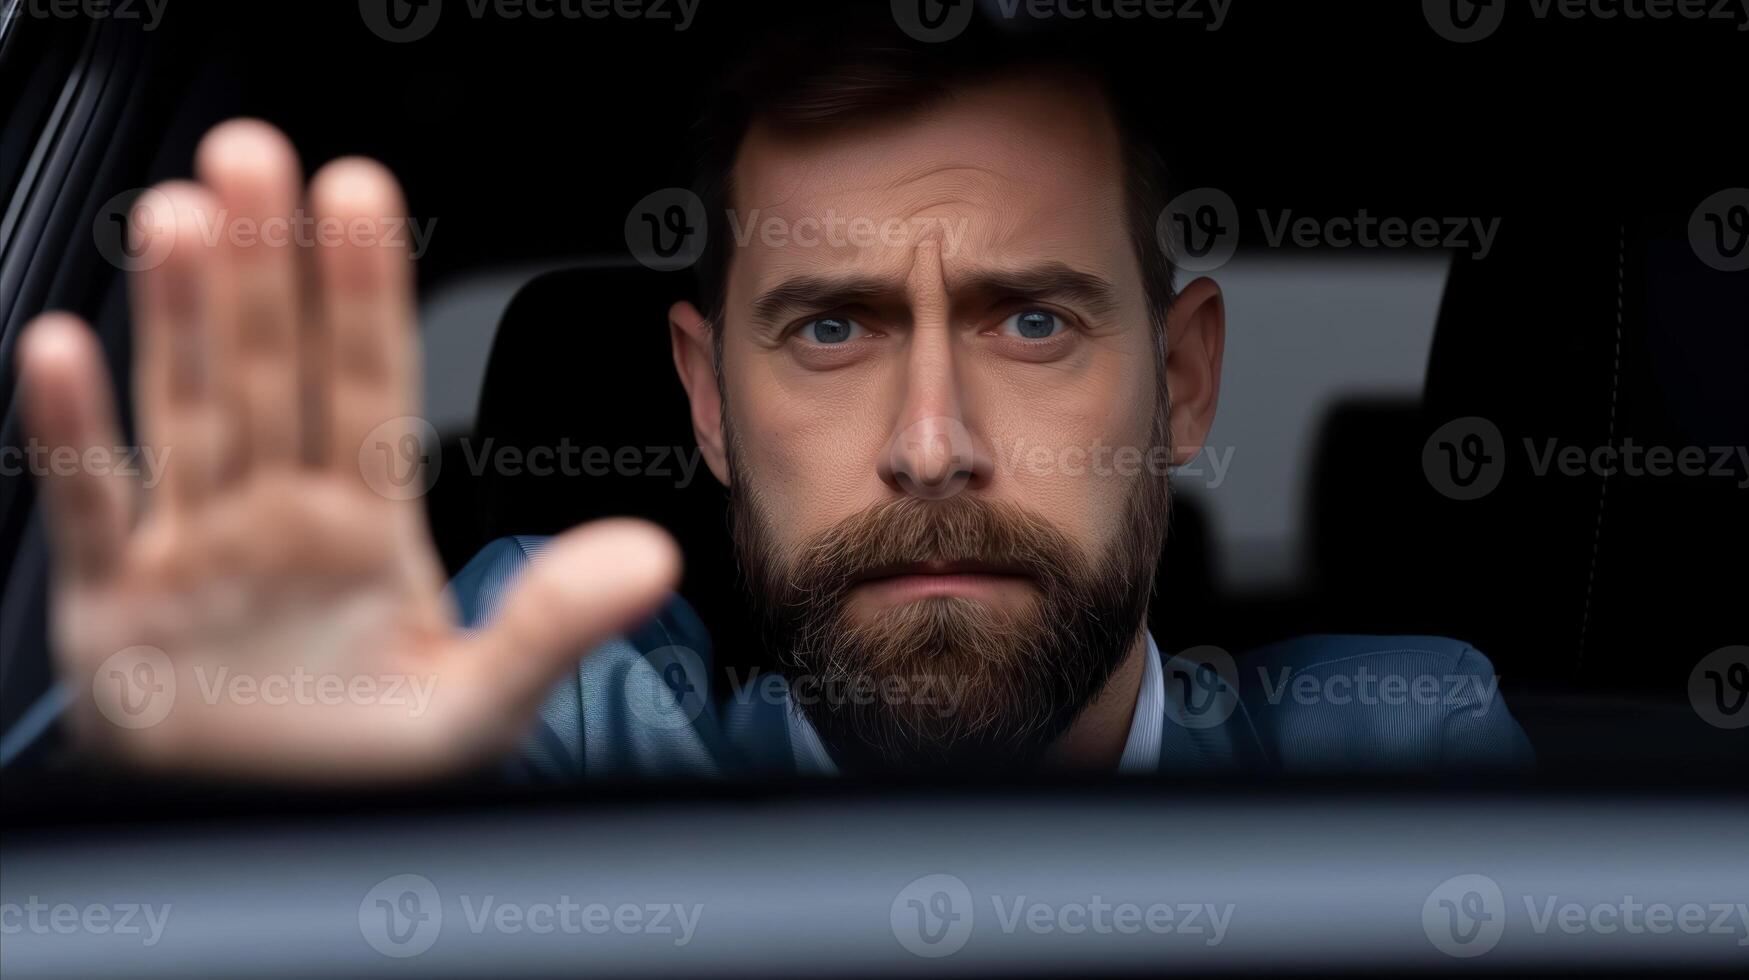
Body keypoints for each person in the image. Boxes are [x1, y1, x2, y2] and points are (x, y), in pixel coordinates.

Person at [9, 32, 1531, 782]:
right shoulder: (569, 720)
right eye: (827, 329)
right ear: (705, 399)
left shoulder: (1396, 750)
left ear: (1182, 382)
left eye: (1029, 319)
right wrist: (234, 802)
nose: (931, 443)